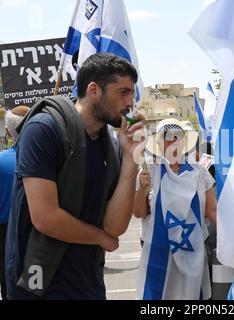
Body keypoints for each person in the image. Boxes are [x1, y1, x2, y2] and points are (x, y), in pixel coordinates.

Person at [5, 53, 146, 300]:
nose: (130, 102)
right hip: (39, 284)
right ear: (93, 89)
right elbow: (46, 218)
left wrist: (131, 157)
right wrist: (100, 237)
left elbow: (115, 226)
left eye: (131, 93)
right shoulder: (44, 129)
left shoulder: (111, 146)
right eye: (123, 92)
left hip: (88, 283)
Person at [134, 118, 217, 300]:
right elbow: (139, 213)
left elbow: (212, 211)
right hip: (159, 252)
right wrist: (141, 189)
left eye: (177, 137)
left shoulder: (200, 172)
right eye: (167, 137)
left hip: (191, 250)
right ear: (159, 142)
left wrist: (233, 237)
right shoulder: (150, 171)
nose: (172, 141)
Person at [0, 106, 30, 300]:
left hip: (4, 234)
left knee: (8, 285)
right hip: (34, 231)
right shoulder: (49, 158)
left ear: (9, 130)